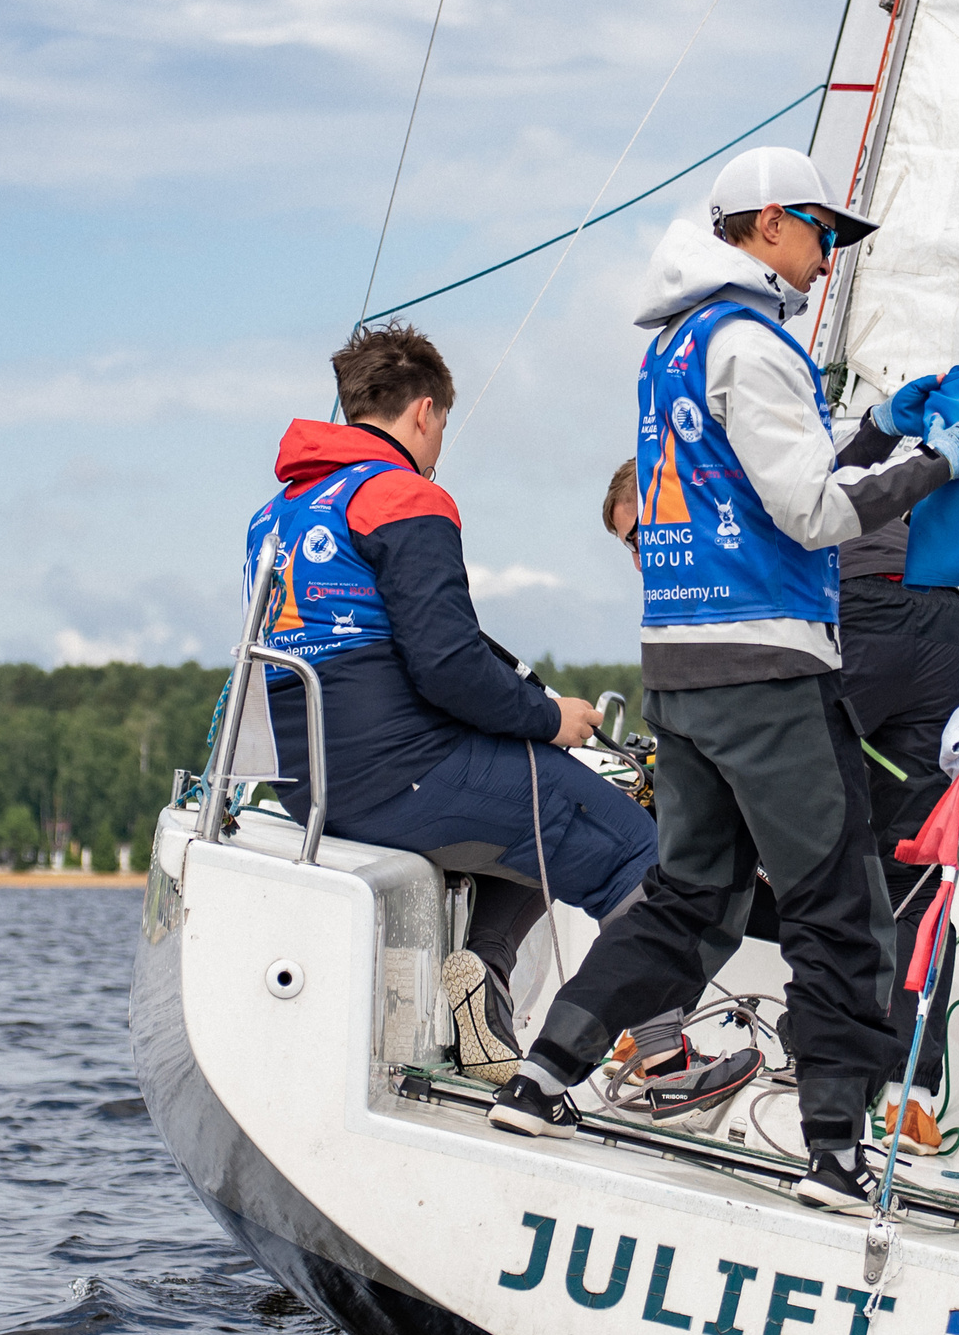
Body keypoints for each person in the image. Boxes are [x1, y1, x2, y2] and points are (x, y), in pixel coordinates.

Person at [488, 146, 959, 1216]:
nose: (829, 258)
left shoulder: (675, 345)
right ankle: (836, 1154)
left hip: (682, 671)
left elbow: (761, 484)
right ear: (769, 223)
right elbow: (812, 515)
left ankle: (543, 1079)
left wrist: (878, 432)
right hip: (770, 671)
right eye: (823, 232)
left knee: (691, 900)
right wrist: (937, 465)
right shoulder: (755, 344)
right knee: (839, 912)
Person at [244, 323, 653, 1084]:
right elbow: (448, 666)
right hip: (402, 777)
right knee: (635, 846)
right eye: (441, 430)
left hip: (311, 789)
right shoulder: (404, 495)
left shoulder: (279, 513)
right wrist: (550, 719)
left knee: (536, 810)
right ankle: (660, 1055)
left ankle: (481, 975)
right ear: (424, 412)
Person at [604, 458, 959, 1157]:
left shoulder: (706, 502)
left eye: (642, 537)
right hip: (934, 604)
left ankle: (659, 1022)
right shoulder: (778, 468)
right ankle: (908, 1097)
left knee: (738, 826)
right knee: (912, 862)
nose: (644, 558)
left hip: (852, 605)